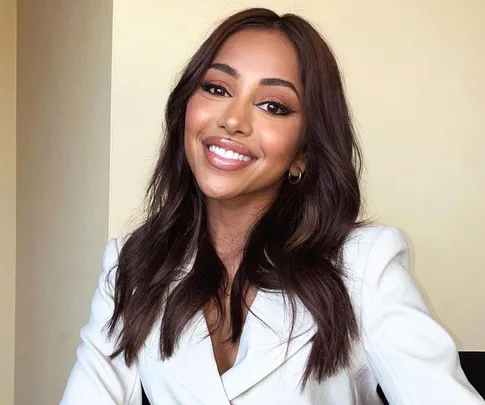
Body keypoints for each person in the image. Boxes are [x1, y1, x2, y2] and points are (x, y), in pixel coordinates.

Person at [60, 8, 483, 405]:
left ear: (303, 152)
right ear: (186, 111)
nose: (234, 119)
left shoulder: (366, 265)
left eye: (273, 106)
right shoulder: (133, 266)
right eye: (216, 88)